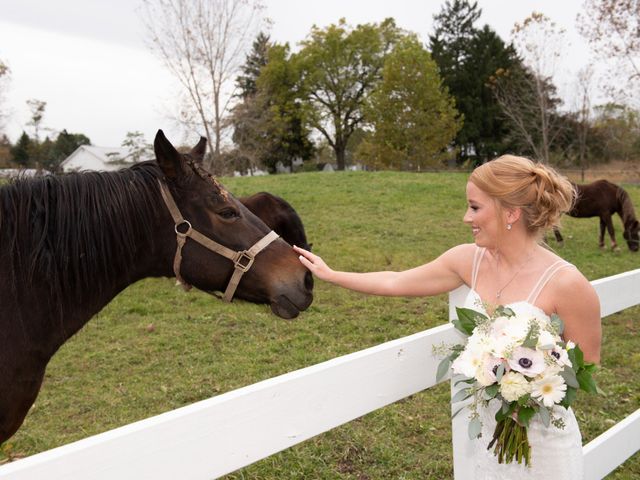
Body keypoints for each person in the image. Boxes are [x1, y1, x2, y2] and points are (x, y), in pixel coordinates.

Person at [294, 154, 601, 479]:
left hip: (544, 449)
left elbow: (586, 367)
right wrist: (333, 274)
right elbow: (396, 280)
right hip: (488, 442)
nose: (466, 218)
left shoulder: (567, 284)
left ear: (510, 213)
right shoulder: (468, 260)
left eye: (475, 207)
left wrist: (526, 387)